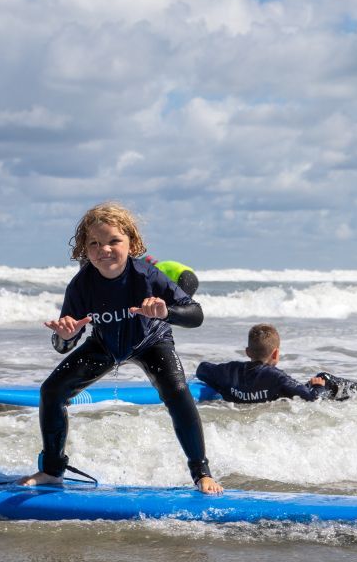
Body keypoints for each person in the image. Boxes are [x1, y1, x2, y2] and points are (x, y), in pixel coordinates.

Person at [20, 202, 222, 494]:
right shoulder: (81, 286)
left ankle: (202, 473)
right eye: (94, 243)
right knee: (51, 391)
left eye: (114, 240)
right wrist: (66, 335)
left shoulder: (147, 276)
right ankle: (52, 470)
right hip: (105, 344)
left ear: (131, 242)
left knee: (177, 392)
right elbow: (63, 344)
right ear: (84, 249)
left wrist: (166, 313)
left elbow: (196, 315)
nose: (104, 249)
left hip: (151, 341)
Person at [196, 323, 357, 404]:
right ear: (276, 354)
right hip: (282, 394)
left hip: (254, 391)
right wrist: (318, 385)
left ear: (247, 351)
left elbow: (201, 369)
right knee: (326, 378)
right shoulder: (278, 378)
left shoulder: (229, 370)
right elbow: (312, 398)